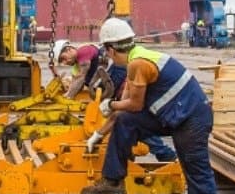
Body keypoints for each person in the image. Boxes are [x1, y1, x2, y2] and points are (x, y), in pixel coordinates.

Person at [81, 17, 218, 194]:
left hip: (192, 118)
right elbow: (123, 114)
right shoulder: (135, 61)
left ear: (111, 49)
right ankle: (112, 181)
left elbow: (133, 104)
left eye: (107, 52)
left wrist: (109, 103)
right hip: (173, 115)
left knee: (198, 176)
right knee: (126, 122)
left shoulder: (139, 64)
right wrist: (97, 134)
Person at [59, 34, 177, 163]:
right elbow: (76, 83)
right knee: (126, 120)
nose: (65, 63)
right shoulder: (77, 65)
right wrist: (66, 95)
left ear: (69, 49)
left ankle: (165, 154)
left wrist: (68, 98)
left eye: (63, 58)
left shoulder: (84, 51)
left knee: (130, 118)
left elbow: (81, 77)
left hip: (120, 81)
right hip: (113, 88)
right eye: (61, 62)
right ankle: (137, 153)